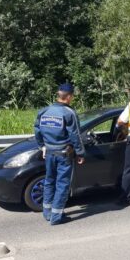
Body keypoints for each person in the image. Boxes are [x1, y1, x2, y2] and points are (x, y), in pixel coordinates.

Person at [34, 83, 85, 225]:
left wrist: (41, 146)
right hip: (64, 154)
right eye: (72, 96)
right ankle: (56, 217)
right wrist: (80, 153)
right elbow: (75, 136)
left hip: (49, 152)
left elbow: (37, 130)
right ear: (68, 97)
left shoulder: (44, 111)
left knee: (49, 181)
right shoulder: (69, 113)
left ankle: (47, 213)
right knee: (62, 184)